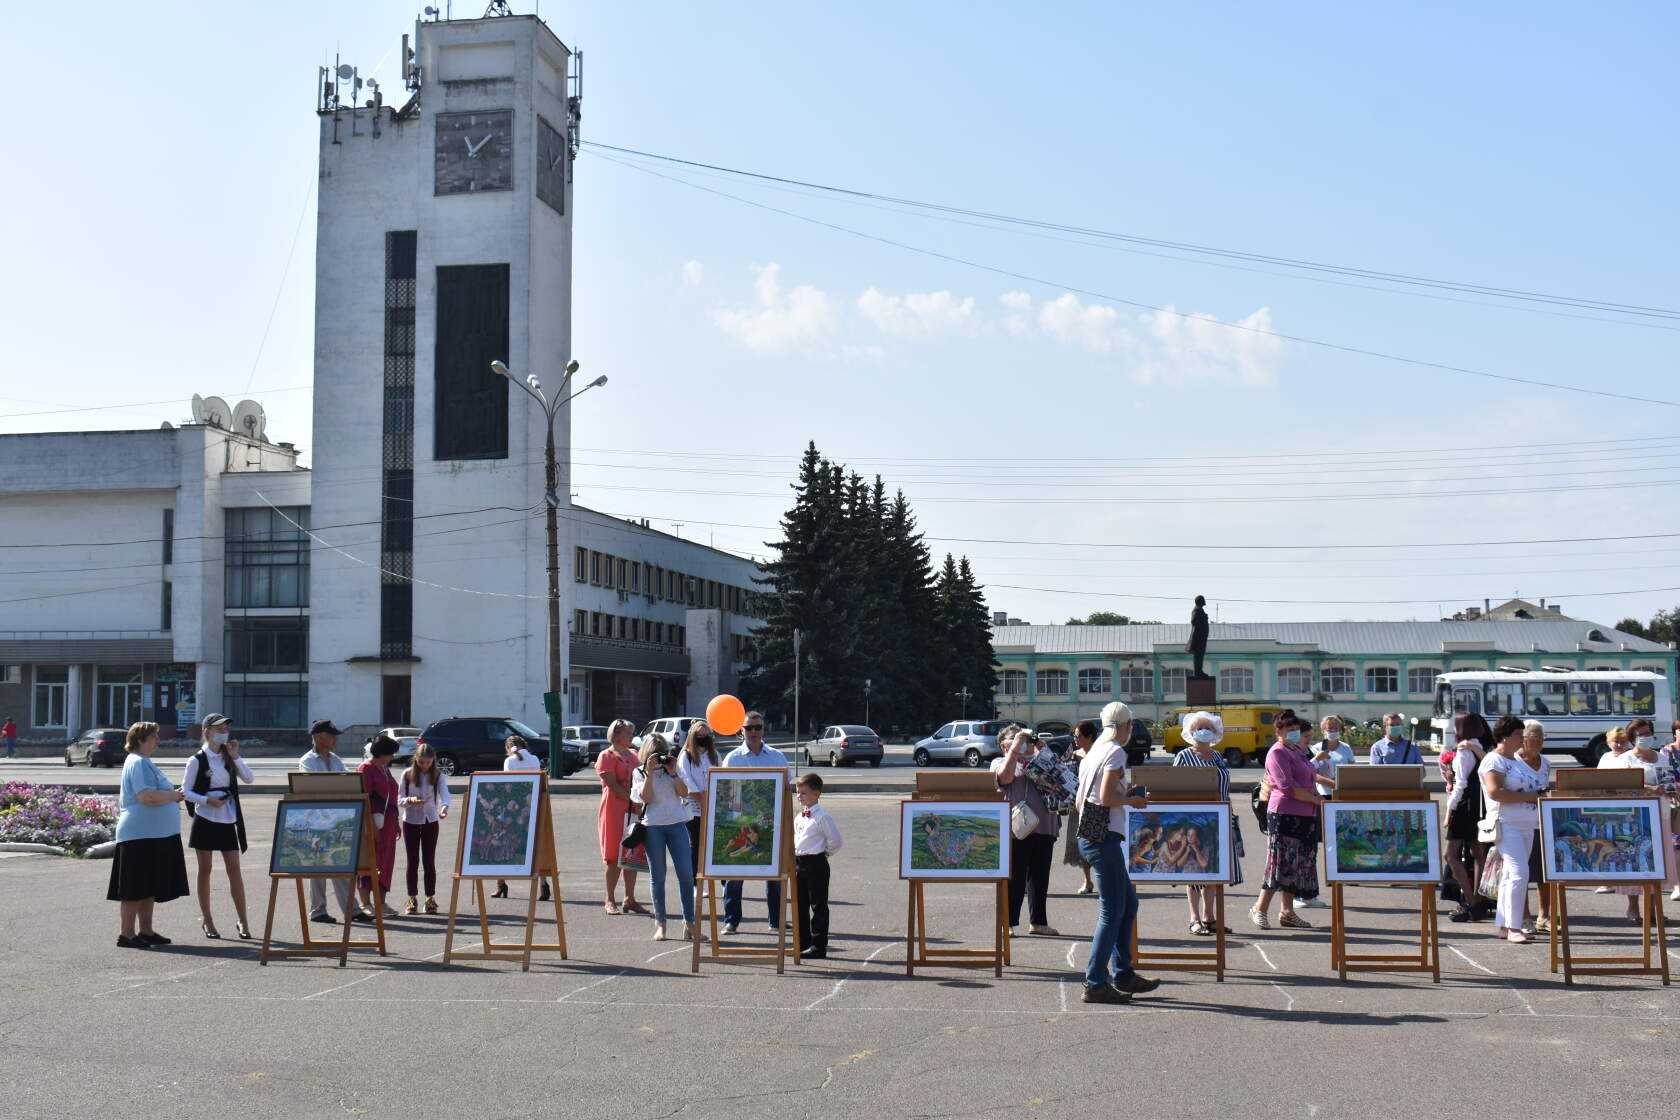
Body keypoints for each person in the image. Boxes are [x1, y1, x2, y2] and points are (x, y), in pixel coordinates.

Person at [1073, 702, 1159, 1004]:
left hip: (1092, 834)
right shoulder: (1115, 751)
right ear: (1126, 726)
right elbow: (1108, 796)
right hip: (1103, 838)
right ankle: (1096, 981)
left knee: (1128, 904)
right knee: (1112, 911)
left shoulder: (1094, 751)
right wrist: (1132, 801)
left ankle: (1122, 973)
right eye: (1130, 726)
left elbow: (1083, 800)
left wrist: (1126, 796)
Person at [107, 721, 190, 949]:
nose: (158, 740)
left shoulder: (144, 762)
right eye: (154, 737)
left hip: (154, 834)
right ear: (141, 740)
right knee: (134, 887)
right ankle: (126, 934)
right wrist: (173, 796)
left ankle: (145, 930)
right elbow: (146, 797)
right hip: (140, 834)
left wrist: (172, 796)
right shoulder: (137, 762)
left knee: (149, 885)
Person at [181, 713, 255, 939]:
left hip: (227, 817)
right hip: (205, 817)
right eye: (218, 729)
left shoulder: (228, 757)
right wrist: (207, 800)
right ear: (207, 732)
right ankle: (208, 920)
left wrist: (236, 756)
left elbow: (249, 779)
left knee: (234, 868)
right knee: (205, 870)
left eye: (225, 729)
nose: (224, 733)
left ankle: (243, 920)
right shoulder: (197, 760)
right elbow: (186, 791)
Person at [1172, 711, 1243, 934]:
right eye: (1200, 728)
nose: (1204, 732)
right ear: (1191, 732)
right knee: (1194, 870)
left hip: (1220, 817)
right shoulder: (1184, 756)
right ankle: (1194, 918)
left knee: (1215, 869)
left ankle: (1210, 916)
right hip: (1194, 819)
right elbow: (1173, 786)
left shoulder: (1216, 756)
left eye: (1209, 728)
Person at [1252, 709, 1323, 929]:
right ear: (1278, 731)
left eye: (1296, 729)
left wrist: (1317, 797)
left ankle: (1287, 912)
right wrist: (1317, 800)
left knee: (1298, 864)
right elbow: (1287, 787)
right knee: (1280, 865)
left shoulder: (1298, 750)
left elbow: (1310, 779)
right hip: (1285, 814)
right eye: (1289, 729)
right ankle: (1259, 908)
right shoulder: (1277, 752)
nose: (1293, 733)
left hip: (1305, 814)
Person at [1602, 719, 1679, 923]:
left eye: (1647, 733)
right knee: (1635, 862)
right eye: (1639, 735)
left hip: (1660, 814)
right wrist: (1650, 788)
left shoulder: (1661, 758)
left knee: (1656, 864)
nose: (1644, 738)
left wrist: (1671, 788)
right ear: (1632, 738)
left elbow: (1667, 780)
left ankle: (1653, 910)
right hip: (1634, 817)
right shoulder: (1625, 759)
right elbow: (1621, 785)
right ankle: (1634, 908)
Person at [1480, 714, 1548, 943]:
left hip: (1527, 825)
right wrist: (1530, 797)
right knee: (1520, 873)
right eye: (1519, 734)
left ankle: (1503, 924)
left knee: (1510, 876)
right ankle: (1514, 927)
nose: (1523, 738)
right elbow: (1494, 791)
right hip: (1506, 825)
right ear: (1506, 736)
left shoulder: (1516, 760)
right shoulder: (1494, 760)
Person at [721, 711, 789, 934]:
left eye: (757, 727)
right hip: (742, 821)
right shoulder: (733, 758)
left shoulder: (777, 757)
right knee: (735, 874)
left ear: (763, 729)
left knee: (774, 875)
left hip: (771, 823)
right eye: (748, 728)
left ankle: (776, 920)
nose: (753, 732)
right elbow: (728, 793)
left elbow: (786, 790)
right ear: (741, 731)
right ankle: (731, 920)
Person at [992, 727, 1061, 936]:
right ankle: (1008, 923)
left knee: (1040, 878)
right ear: (1004, 745)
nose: (1021, 742)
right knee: (1015, 878)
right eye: (1013, 739)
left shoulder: (1040, 759)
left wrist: (1043, 749)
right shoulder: (1000, 762)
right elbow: (1004, 779)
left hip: (1045, 824)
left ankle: (1038, 922)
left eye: (1024, 738)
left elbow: (1061, 776)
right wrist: (1014, 751)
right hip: (1016, 829)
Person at [629, 733, 695, 941]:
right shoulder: (639, 772)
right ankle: (661, 924)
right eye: (654, 755)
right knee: (658, 877)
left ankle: (690, 924)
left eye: (662, 753)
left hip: (676, 824)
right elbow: (646, 798)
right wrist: (649, 772)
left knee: (686, 875)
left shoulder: (673, 769)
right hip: (653, 827)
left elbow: (685, 793)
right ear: (646, 755)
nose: (659, 758)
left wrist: (673, 773)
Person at [298, 718, 354, 924]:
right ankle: (318, 910)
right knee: (317, 868)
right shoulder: (308, 761)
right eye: (331, 736)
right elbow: (314, 786)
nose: (335, 740)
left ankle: (351, 908)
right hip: (316, 822)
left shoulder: (336, 759)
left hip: (337, 820)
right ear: (319, 738)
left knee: (339, 862)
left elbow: (347, 783)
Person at [1444, 712, 1494, 923]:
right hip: (1480, 804)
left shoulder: (1463, 750)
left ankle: (1471, 900)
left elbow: (1460, 785)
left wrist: (1449, 809)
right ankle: (1481, 898)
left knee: (1451, 855)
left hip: (1465, 805)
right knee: (1478, 852)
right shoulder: (1482, 748)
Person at [594, 719, 645, 916]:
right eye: (628, 733)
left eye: (632, 733)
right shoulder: (606, 756)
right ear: (616, 735)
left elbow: (642, 779)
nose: (632, 736)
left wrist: (639, 804)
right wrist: (634, 800)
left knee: (631, 854)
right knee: (613, 857)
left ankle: (629, 898)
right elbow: (613, 786)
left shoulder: (634, 755)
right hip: (614, 810)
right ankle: (610, 899)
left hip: (634, 809)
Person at [793, 772, 842, 959]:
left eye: (804, 793)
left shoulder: (822, 817)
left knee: (818, 905)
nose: (799, 796)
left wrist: (823, 854)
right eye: (798, 792)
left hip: (816, 863)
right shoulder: (800, 816)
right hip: (800, 863)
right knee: (800, 905)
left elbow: (836, 840)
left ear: (816, 793)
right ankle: (803, 941)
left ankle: (818, 945)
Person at [495, 735, 550, 901]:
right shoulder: (534, 759)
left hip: (514, 808)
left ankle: (501, 884)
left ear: (508, 748)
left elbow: (507, 786)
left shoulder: (510, 761)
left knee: (503, 841)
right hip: (533, 805)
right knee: (536, 845)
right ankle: (543, 883)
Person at [399, 743, 452, 915]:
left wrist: (444, 807)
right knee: (412, 861)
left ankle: (430, 898)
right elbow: (398, 798)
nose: (424, 766)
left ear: (433, 761)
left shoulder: (437, 775)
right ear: (416, 759)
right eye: (421, 762)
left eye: (428, 762)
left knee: (429, 861)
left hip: (430, 820)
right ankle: (411, 898)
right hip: (411, 821)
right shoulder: (407, 774)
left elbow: (445, 793)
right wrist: (409, 800)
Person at [354, 734, 402, 922]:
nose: (393, 758)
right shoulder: (365, 769)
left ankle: (381, 902)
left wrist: (396, 822)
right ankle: (365, 903)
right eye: (391, 754)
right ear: (383, 753)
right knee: (369, 861)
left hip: (388, 822)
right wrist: (370, 825)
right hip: (373, 823)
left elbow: (391, 796)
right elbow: (363, 797)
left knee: (386, 862)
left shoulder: (383, 769)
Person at [1518, 721, 1552, 932]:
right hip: (1519, 823)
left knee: (1544, 874)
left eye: (1541, 737)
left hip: (1541, 822)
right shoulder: (1512, 761)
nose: (1539, 741)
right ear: (1523, 738)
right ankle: (1524, 917)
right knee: (1521, 873)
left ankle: (1544, 916)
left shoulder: (1546, 762)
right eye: (1535, 736)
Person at [1062, 719, 1100, 894]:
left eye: (1078, 736)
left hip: (1097, 805)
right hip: (1078, 805)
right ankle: (1087, 880)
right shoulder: (1074, 754)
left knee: (1097, 844)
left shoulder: (1100, 754)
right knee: (1081, 843)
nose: (1075, 739)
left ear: (1089, 736)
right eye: (1074, 735)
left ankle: (1102, 880)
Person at [676, 722, 720, 858]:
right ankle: (694, 879)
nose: (703, 737)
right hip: (693, 810)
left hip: (713, 808)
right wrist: (705, 803)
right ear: (693, 736)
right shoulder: (686, 756)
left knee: (714, 845)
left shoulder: (715, 755)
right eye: (700, 735)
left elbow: (723, 777)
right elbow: (688, 783)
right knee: (696, 845)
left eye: (707, 735)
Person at [1313, 716, 1354, 799]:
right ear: (1323, 731)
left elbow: (1352, 769)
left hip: (1343, 792)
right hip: (1323, 793)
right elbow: (1313, 775)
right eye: (1330, 728)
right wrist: (1334, 784)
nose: (1333, 730)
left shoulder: (1346, 748)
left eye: (1336, 728)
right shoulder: (1315, 749)